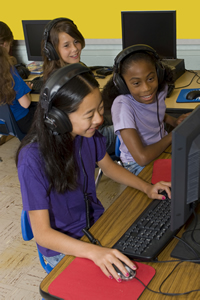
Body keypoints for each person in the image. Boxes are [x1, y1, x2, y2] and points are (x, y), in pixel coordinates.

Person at [16, 63, 171, 282]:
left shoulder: (88, 136)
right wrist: (94, 253)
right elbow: (43, 234)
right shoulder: (32, 159)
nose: (98, 120)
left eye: (100, 109)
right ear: (57, 119)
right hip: (64, 246)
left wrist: (147, 187)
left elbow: (109, 167)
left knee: (155, 257)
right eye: (89, 115)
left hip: (97, 226)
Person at [102, 44, 190, 175]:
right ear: (122, 84)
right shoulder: (122, 106)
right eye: (136, 83)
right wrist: (174, 135)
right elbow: (141, 158)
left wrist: (174, 122)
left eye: (150, 78)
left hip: (162, 147)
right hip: (137, 165)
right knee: (183, 182)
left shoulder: (160, 88)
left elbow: (153, 113)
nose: (146, 88)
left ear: (158, 73)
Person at [41, 17, 116, 154]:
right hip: (89, 136)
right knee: (134, 126)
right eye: (66, 45)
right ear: (52, 50)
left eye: (76, 41)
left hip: (93, 122)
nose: (75, 49)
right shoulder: (61, 83)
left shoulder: (74, 70)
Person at [0, 21, 36, 134]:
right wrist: (27, 92)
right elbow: (25, 104)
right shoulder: (9, 70)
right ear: (5, 44)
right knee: (42, 108)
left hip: (2, 124)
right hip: (20, 123)